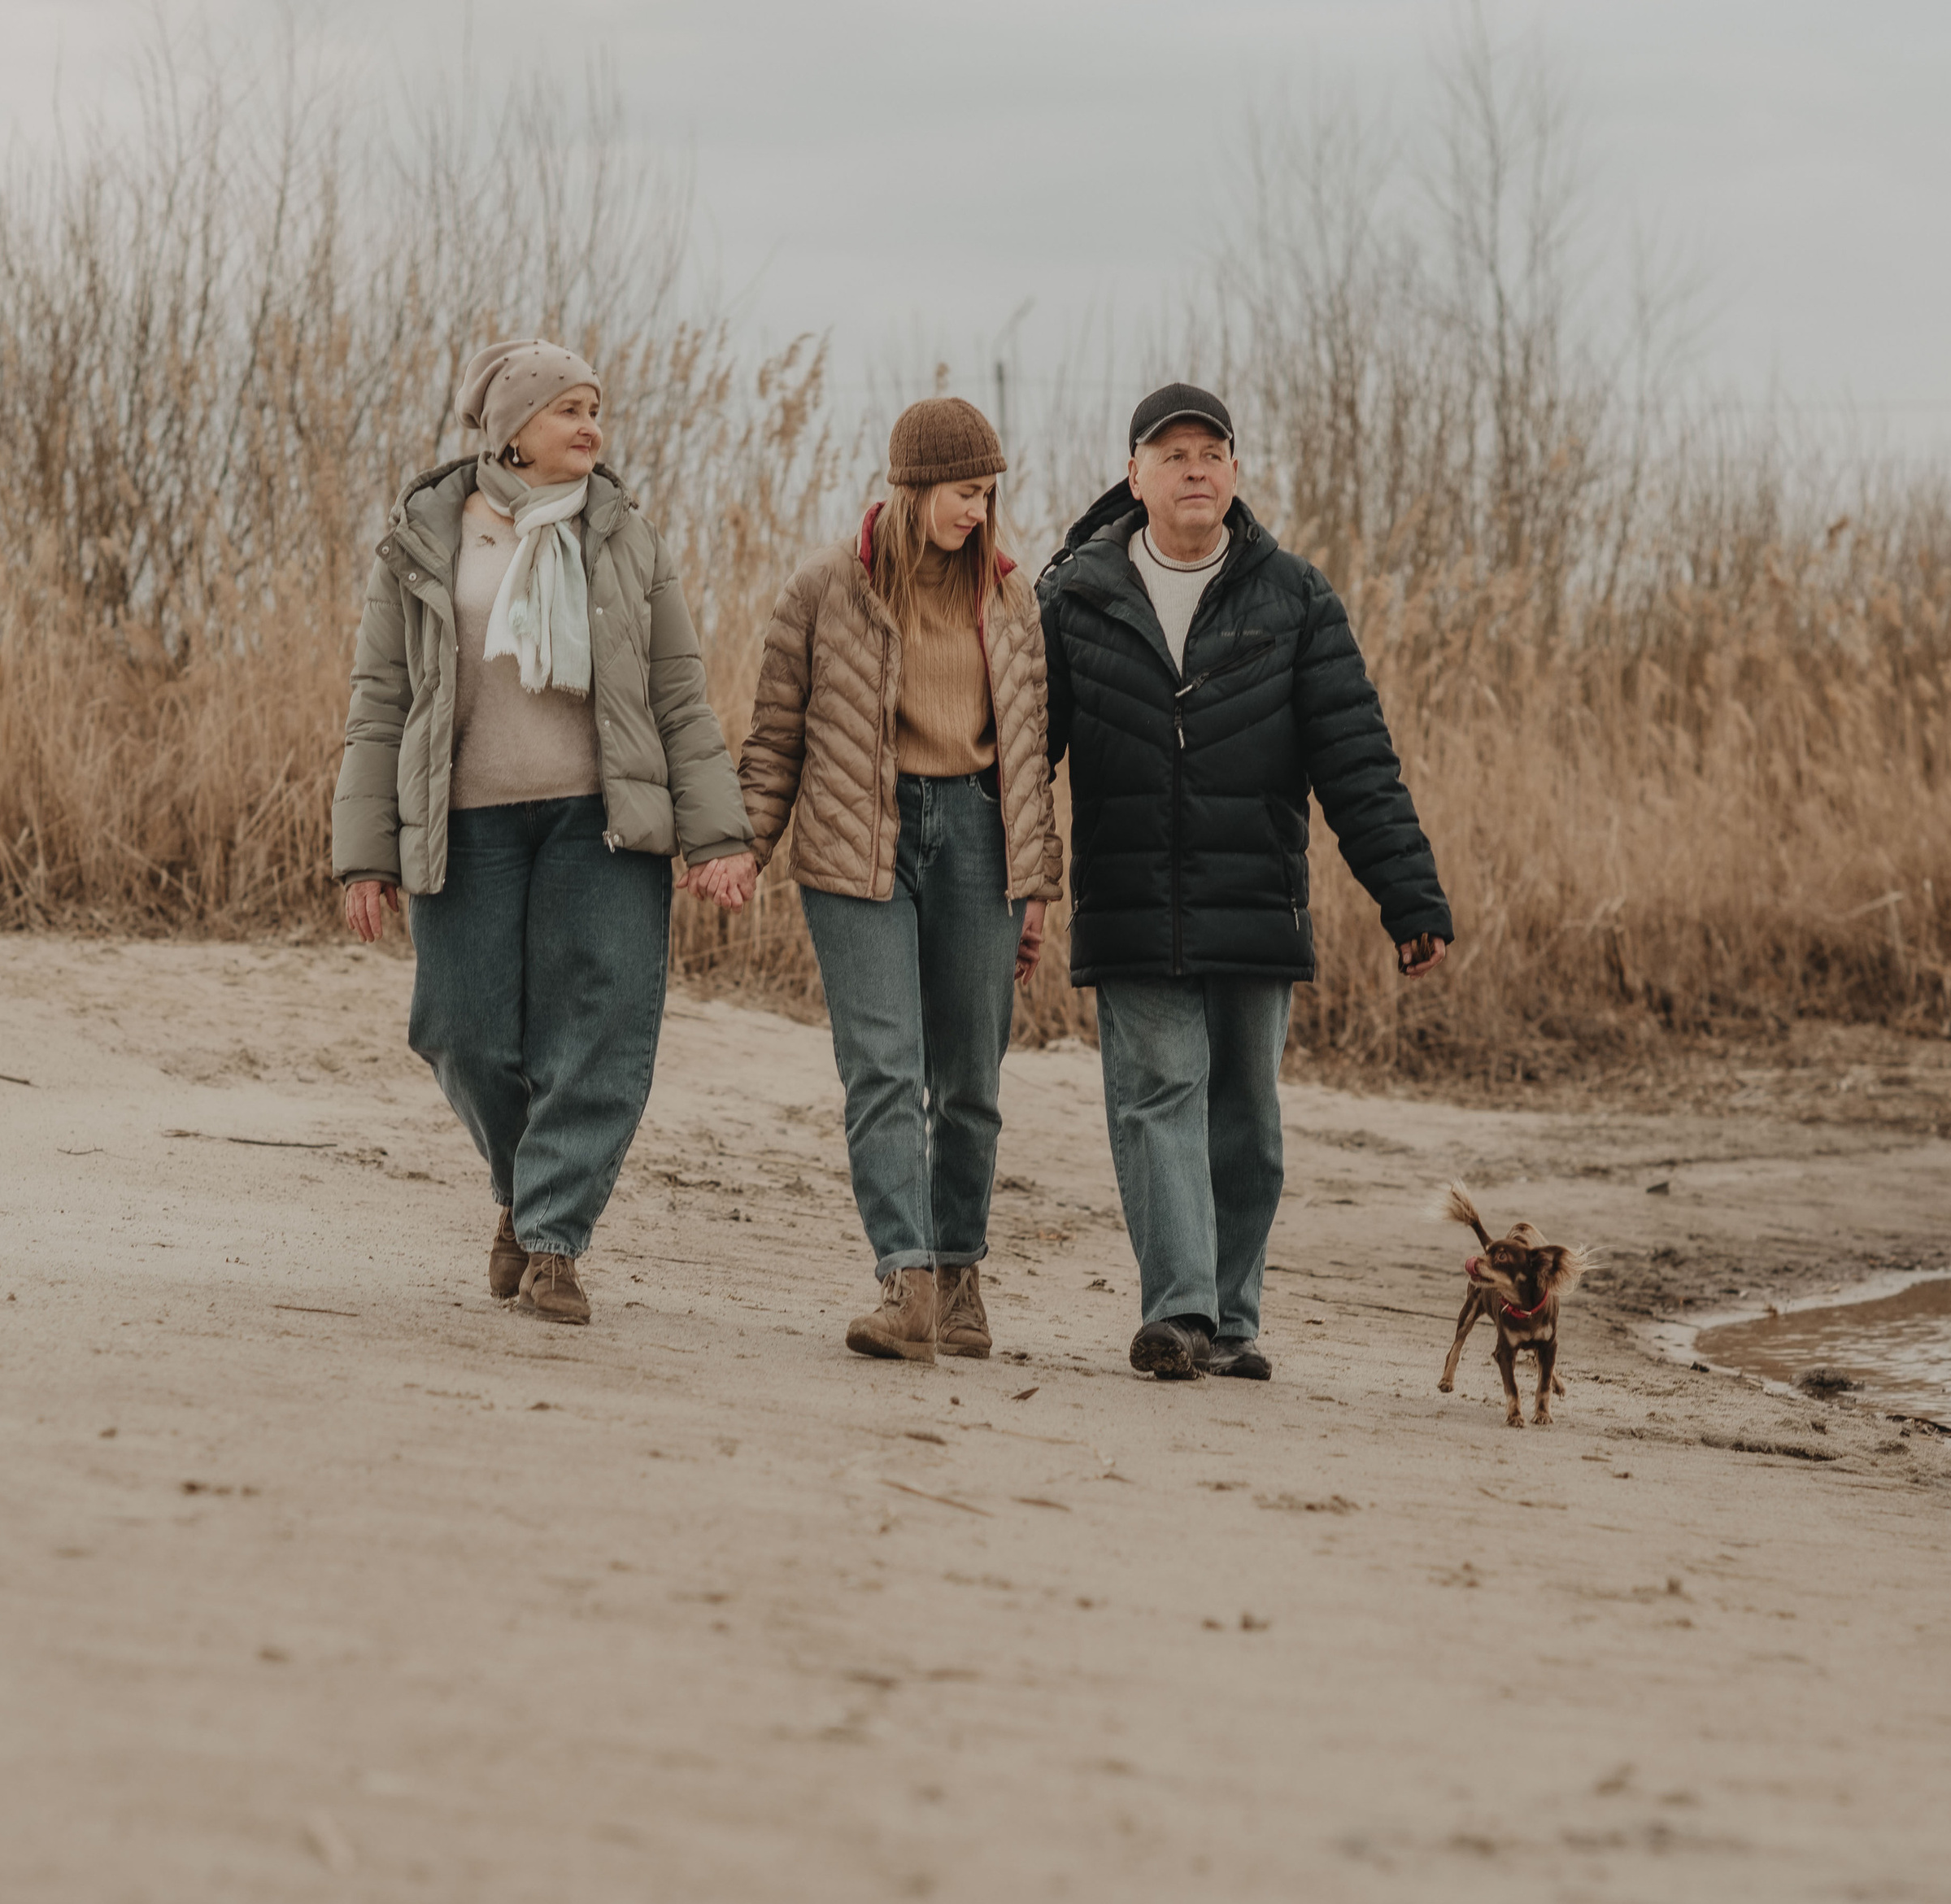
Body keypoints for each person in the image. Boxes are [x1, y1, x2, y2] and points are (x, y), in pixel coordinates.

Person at [333, 338, 753, 1325]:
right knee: (460, 1029)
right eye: (569, 408)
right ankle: (524, 1194)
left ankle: (555, 1240)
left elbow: (679, 700)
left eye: (595, 407)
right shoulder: (426, 538)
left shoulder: (625, 539)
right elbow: (379, 702)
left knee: (597, 1030)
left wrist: (717, 834)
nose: (590, 426)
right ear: (512, 430)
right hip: (465, 821)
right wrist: (365, 853)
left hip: (599, 823)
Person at [1039, 382, 1452, 1382]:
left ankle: (1231, 1319)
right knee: (1156, 1098)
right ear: (1133, 475)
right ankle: (1178, 1313)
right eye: (1170, 453)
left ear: (1234, 471)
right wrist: (1012, 892)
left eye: (1209, 453)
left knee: (1247, 1124)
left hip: (1253, 899)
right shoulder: (1073, 597)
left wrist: (1409, 894)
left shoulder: (1294, 597)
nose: (1192, 469)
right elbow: (1020, 764)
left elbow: (1355, 761)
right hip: (1130, 899)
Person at [732, 398, 1063, 1364]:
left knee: (969, 1080)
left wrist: (1033, 886)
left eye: (988, 493)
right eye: (964, 491)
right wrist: (740, 851)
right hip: (854, 844)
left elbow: (1030, 760)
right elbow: (773, 740)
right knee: (882, 1066)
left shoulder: (1011, 600)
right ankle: (905, 1281)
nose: (978, 509)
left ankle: (961, 1276)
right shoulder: (822, 591)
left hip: (976, 843)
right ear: (912, 487)